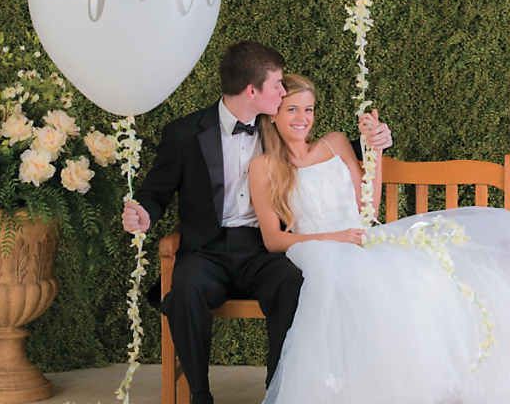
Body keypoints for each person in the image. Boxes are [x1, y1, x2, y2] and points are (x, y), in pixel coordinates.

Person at [249, 74, 510, 404]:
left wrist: (373, 152)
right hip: (319, 248)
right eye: (292, 109)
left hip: (362, 237)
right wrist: (335, 238)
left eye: (309, 109)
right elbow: (273, 239)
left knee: (425, 273)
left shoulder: (334, 142)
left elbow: (368, 207)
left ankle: (438, 381)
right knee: (357, 283)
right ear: (273, 113)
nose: (303, 118)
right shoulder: (264, 167)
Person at [121, 42, 390, 404]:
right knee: (184, 289)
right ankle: (199, 395)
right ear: (253, 91)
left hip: (264, 248)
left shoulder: (275, 125)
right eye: (277, 86)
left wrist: (374, 139)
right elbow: (155, 192)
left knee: (292, 284)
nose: (282, 94)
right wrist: (144, 213)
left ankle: (277, 390)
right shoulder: (184, 134)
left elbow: (326, 151)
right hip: (207, 250)